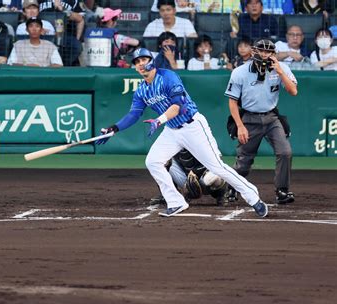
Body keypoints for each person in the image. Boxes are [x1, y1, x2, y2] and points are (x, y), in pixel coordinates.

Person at [96, 47, 269, 218]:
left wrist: (159, 120)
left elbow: (177, 107)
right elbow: (133, 114)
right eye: (137, 62)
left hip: (192, 126)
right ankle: (176, 202)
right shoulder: (142, 90)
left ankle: (253, 198)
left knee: (217, 166)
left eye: (144, 60)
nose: (141, 64)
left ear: (152, 61)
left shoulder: (168, 76)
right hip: (172, 130)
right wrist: (114, 128)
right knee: (153, 161)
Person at [225, 39, 298, 205]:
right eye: (261, 51)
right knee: (244, 160)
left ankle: (282, 190)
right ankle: (233, 186)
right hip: (249, 118)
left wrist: (280, 72)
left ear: (273, 54)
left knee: (285, 152)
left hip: (271, 117)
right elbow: (232, 102)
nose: (265, 54)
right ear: (253, 52)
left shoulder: (281, 68)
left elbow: (293, 91)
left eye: (269, 52)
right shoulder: (240, 72)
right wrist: (240, 125)